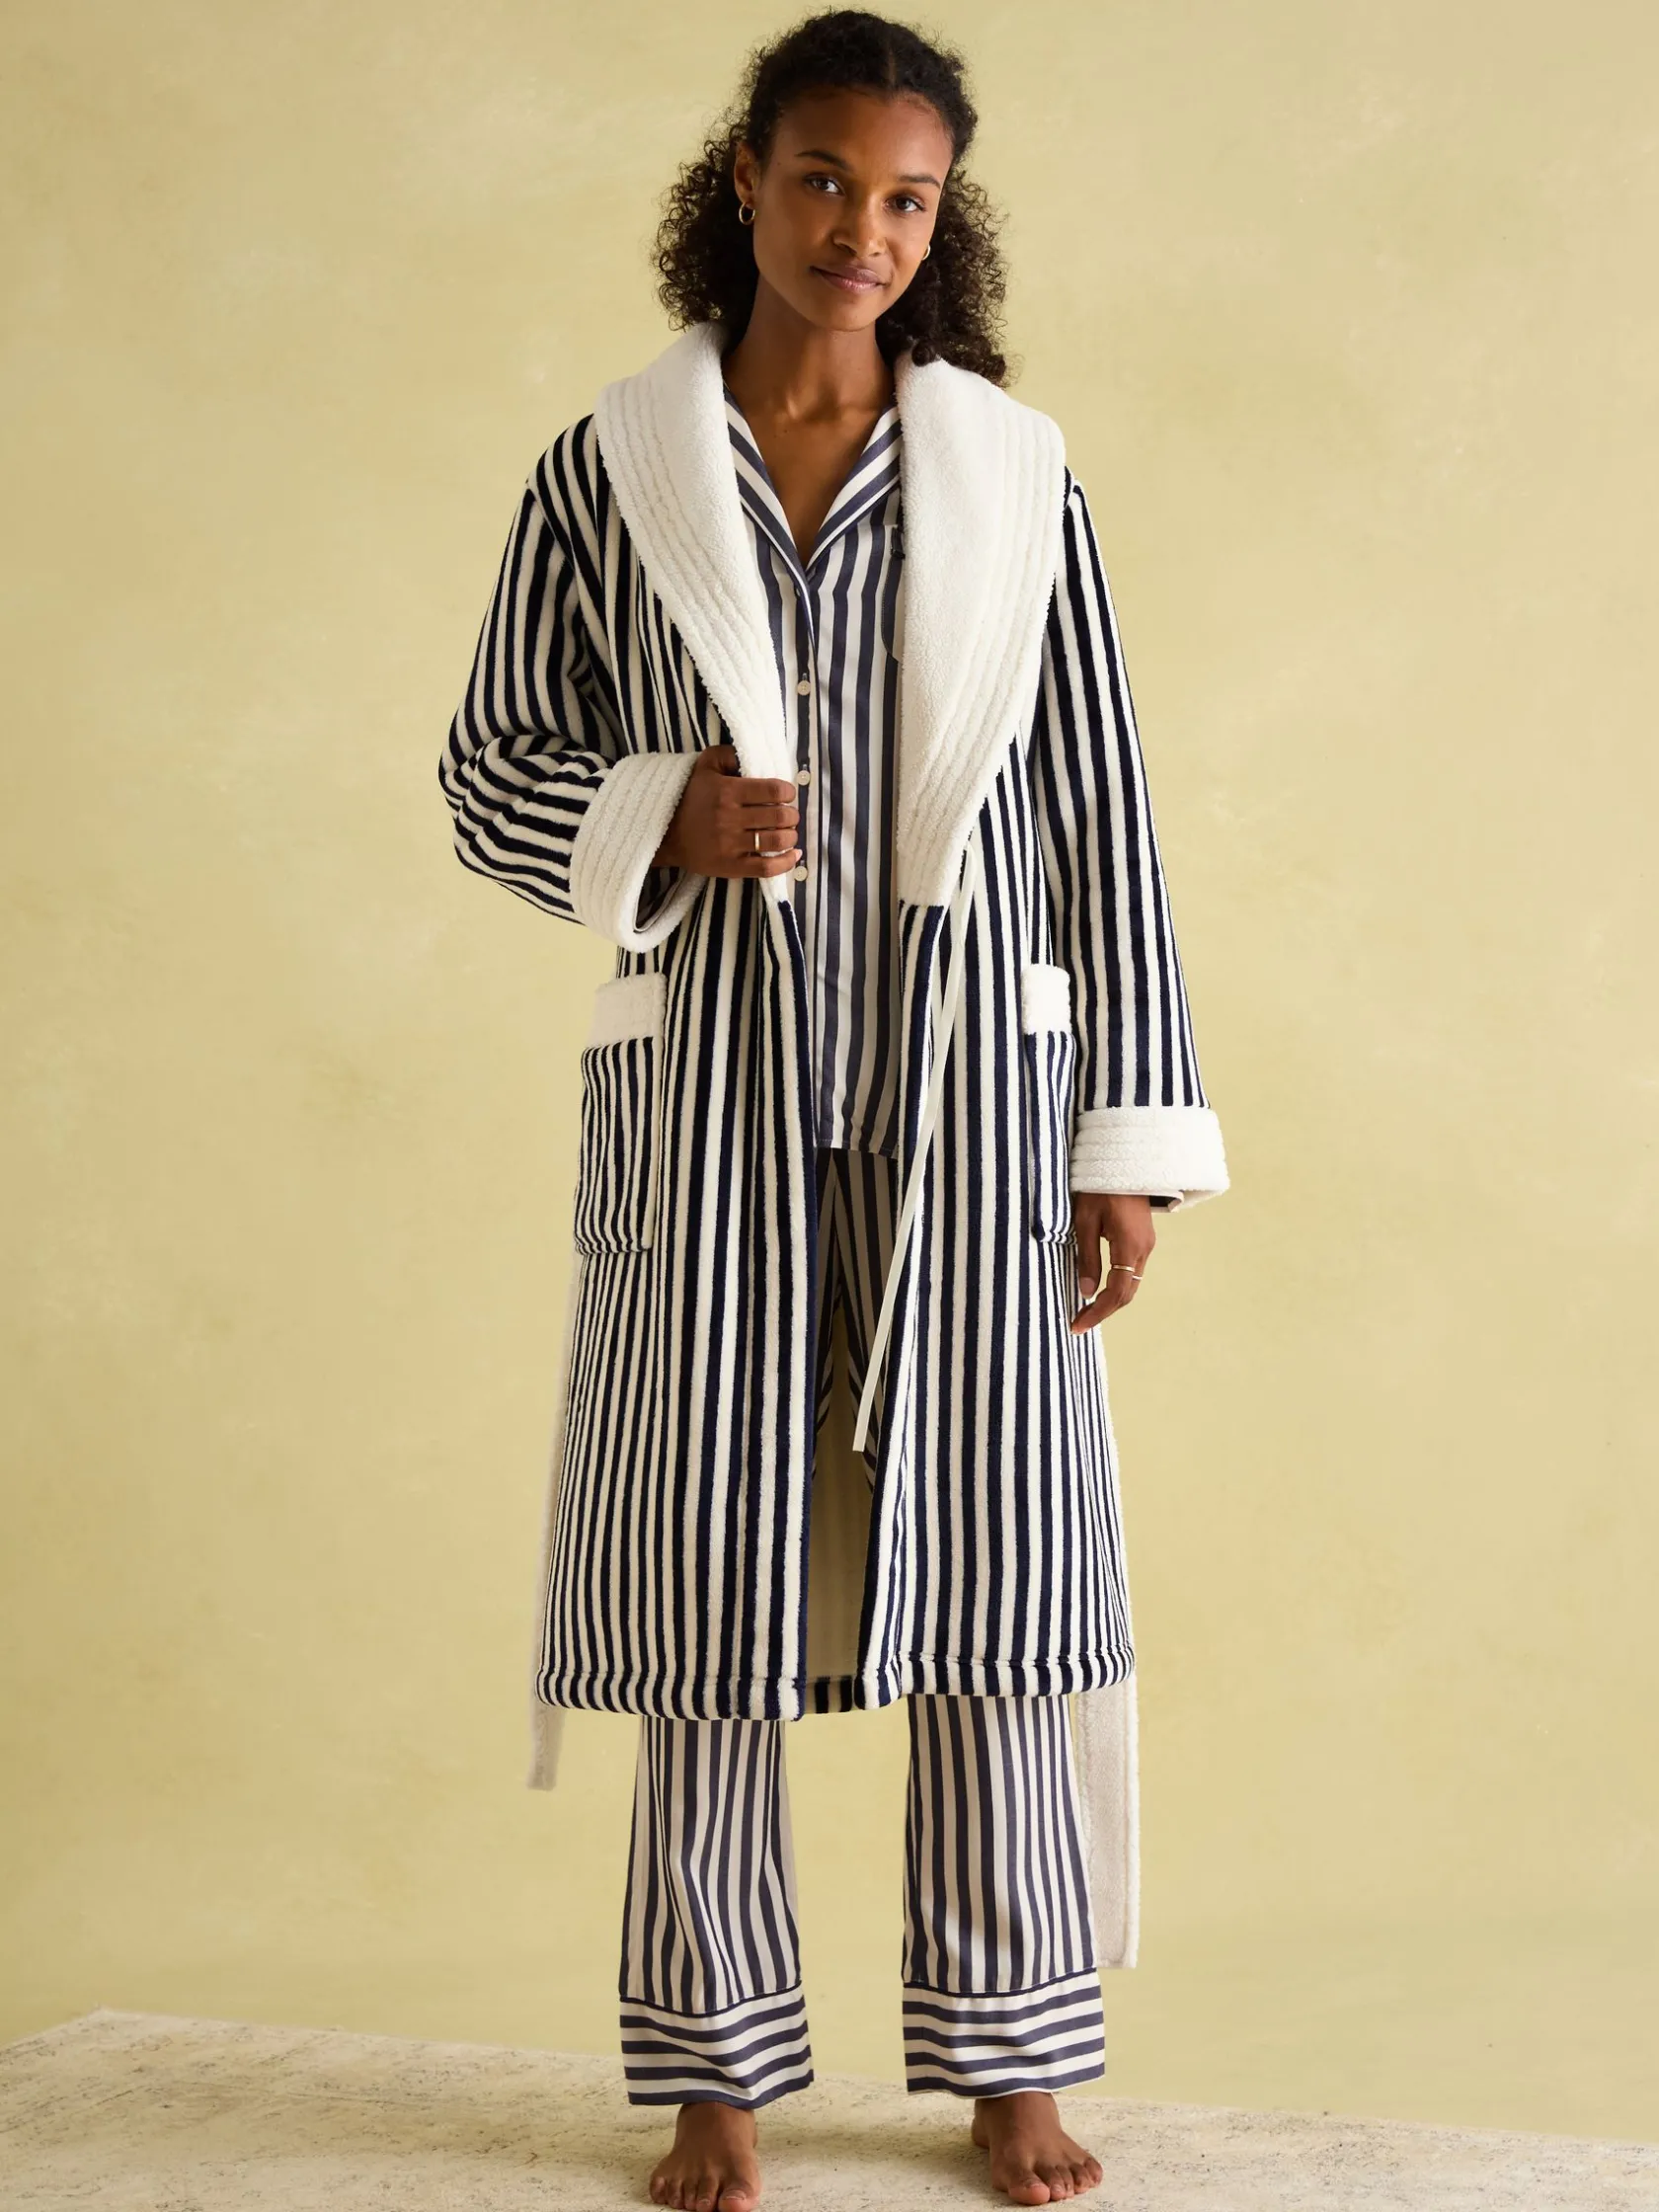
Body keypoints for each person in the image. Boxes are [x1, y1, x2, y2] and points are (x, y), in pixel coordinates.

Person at [439, 12, 1229, 2207]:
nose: (858, 229)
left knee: (997, 1578)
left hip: (975, 1103)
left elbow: (1101, 816)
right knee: (713, 1581)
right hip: (709, 1105)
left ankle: (1014, 2063)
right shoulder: (609, 475)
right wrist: (661, 815)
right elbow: (489, 772)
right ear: (747, 179)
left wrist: (1127, 1145)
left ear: (938, 219)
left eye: (904, 197)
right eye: (820, 179)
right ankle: (714, 2076)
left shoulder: (1014, 481)